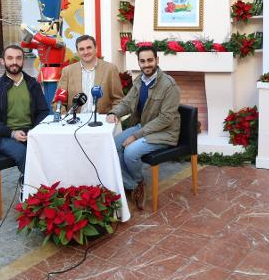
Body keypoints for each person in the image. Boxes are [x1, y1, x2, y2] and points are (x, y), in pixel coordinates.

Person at [106, 45, 180, 210]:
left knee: (130, 152)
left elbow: (166, 118)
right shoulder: (140, 80)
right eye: (143, 61)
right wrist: (114, 113)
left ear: (157, 60)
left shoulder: (169, 85)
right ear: (138, 62)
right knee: (111, 146)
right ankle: (133, 184)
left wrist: (136, 135)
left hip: (164, 132)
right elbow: (126, 102)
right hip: (145, 126)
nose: (147, 64)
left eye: (150, 60)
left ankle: (137, 182)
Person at [0, 45, 50, 175]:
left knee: (52, 150)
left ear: (23, 60)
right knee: (24, 154)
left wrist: (33, 131)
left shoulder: (32, 84)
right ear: (3, 61)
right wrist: (12, 133)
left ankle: (47, 188)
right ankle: (32, 191)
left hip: (31, 132)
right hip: (5, 136)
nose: (14, 62)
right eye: (10, 58)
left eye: (18, 58)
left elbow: (43, 111)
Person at [57, 35, 124, 115]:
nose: (86, 52)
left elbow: (118, 99)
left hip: (102, 121)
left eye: (89, 48)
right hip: (75, 121)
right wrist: (65, 117)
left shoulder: (110, 69)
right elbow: (58, 102)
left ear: (96, 49)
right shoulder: (67, 71)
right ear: (78, 52)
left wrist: (113, 115)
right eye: (81, 49)